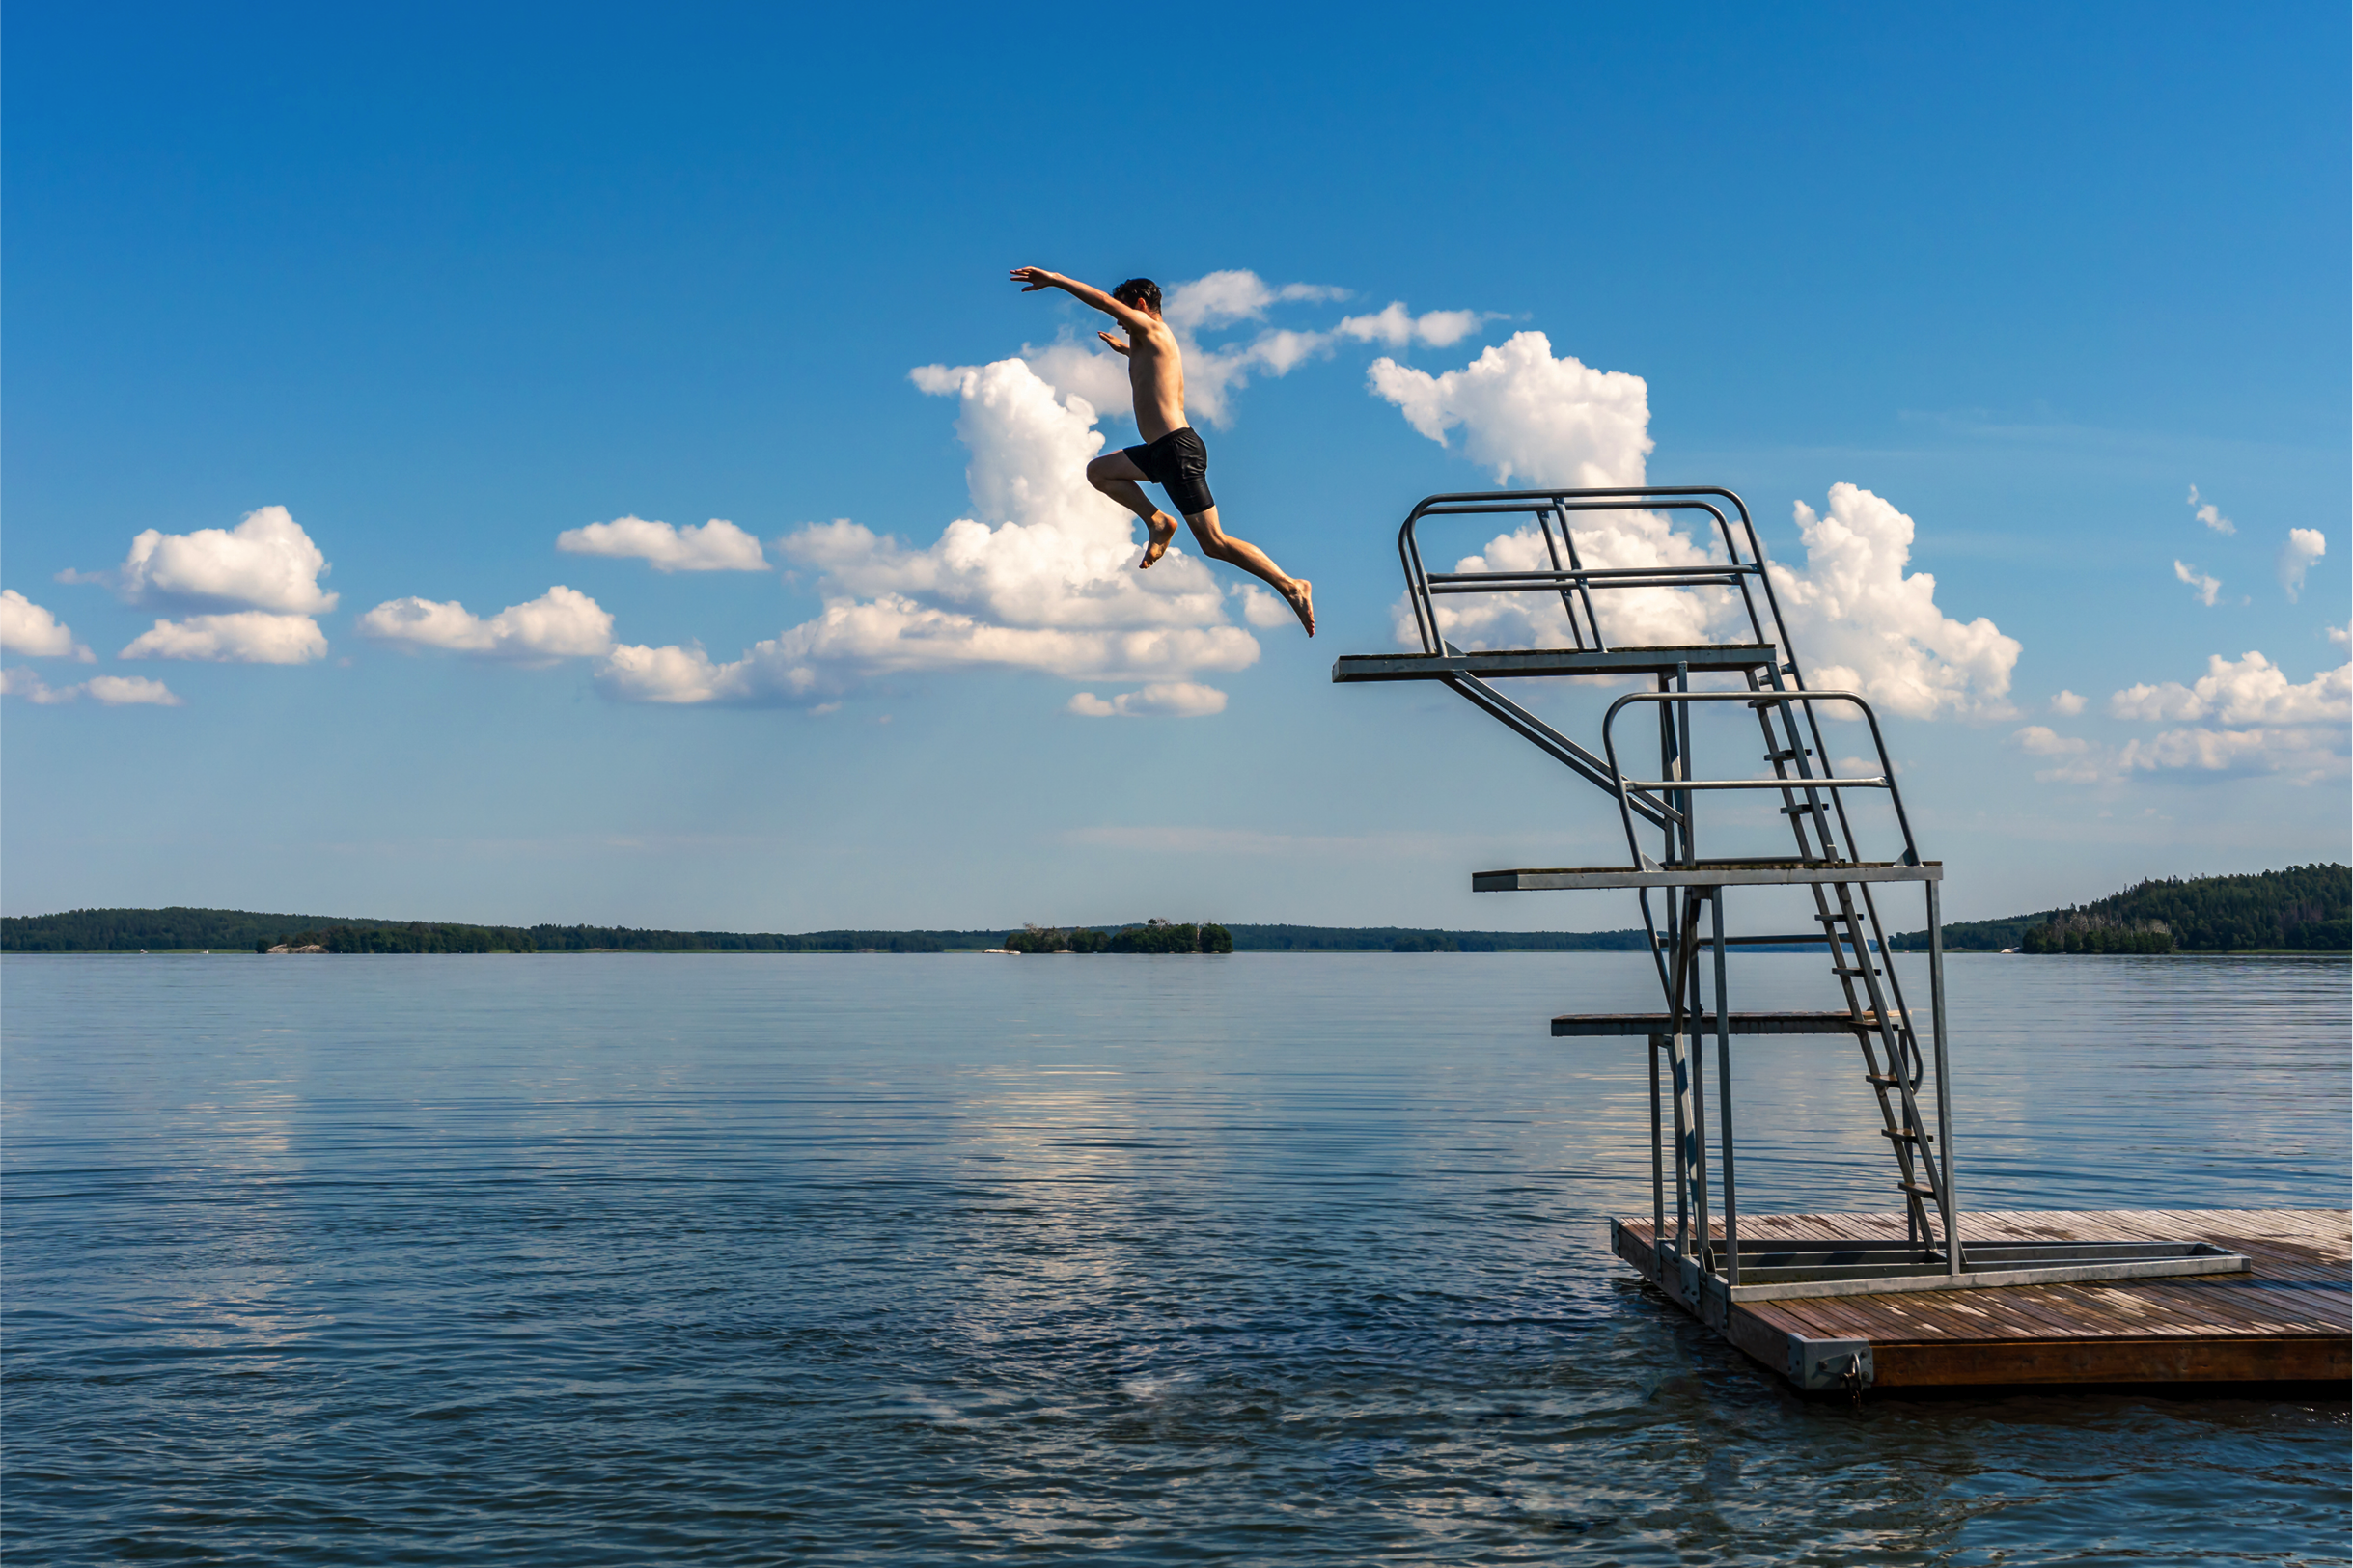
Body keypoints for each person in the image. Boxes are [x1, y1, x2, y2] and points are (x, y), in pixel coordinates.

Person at [1010, 266, 1314, 635]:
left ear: (1139, 305)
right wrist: (1124, 350)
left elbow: (1104, 303)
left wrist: (1056, 280)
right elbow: (1151, 368)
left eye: (1127, 315)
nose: (1123, 325)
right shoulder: (1147, 343)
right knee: (1099, 472)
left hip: (1177, 450)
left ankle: (1290, 584)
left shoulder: (1153, 330)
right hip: (1159, 451)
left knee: (1214, 543)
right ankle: (1157, 521)